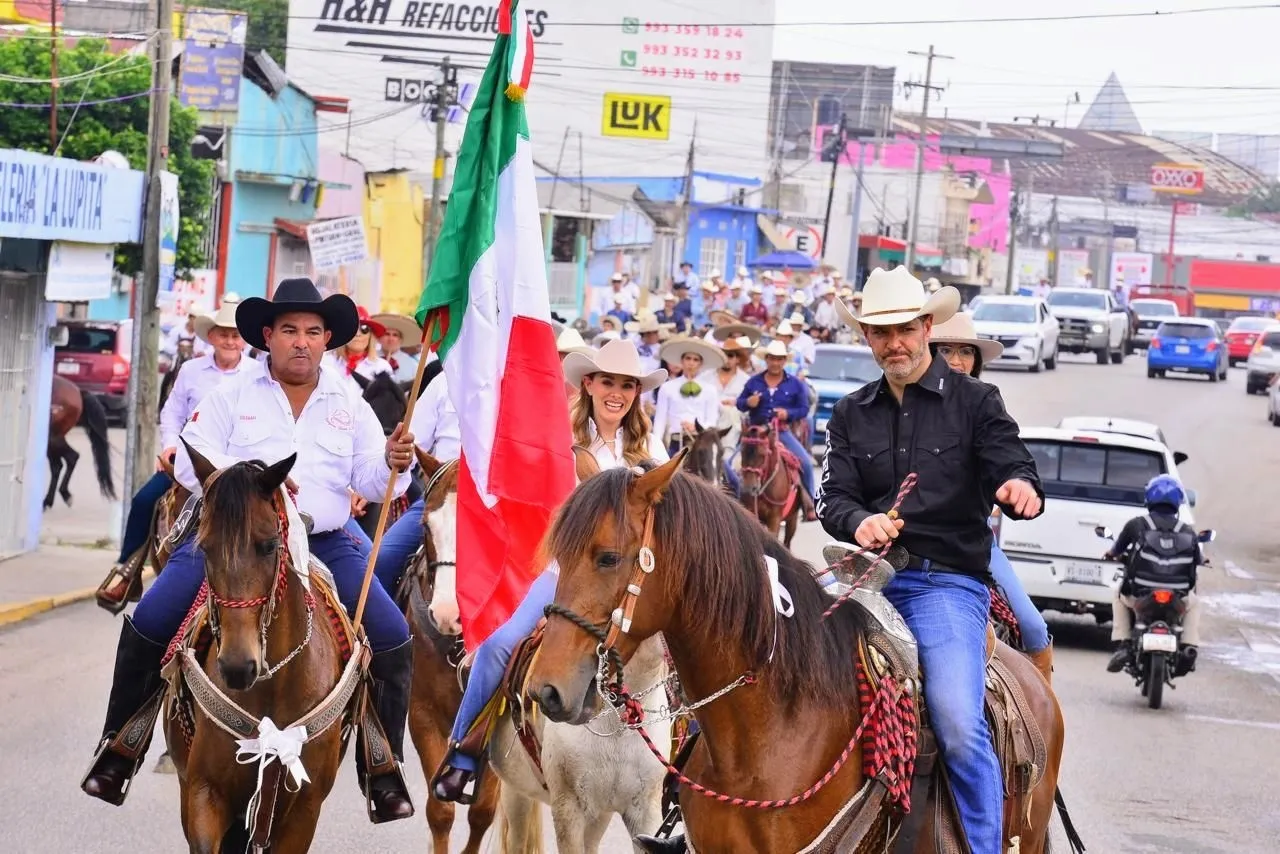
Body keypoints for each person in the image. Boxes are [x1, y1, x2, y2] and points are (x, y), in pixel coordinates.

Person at [80, 278, 419, 822]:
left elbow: (374, 481)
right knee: (149, 622)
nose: (302, 342)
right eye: (289, 331)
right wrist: (252, 483)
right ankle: (121, 746)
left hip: (328, 540)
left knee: (394, 639)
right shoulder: (230, 394)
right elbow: (191, 465)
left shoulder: (346, 399)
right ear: (268, 336)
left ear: (327, 339)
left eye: (313, 331)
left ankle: (382, 766)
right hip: (237, 539)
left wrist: (394, 462)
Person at [817, 266, 1045, 854]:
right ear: (867, 338)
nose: (894, 343)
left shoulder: (976, 401)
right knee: (772, 672)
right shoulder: (850, 413)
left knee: (958, 725)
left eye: (904, 330)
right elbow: (831, 496)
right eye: (880, 332)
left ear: (926, 327)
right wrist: (858, 521)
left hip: (944, 585)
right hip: (864, 582)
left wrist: (1019, 487)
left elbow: (1011, 462)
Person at [431, 338, 668, 803]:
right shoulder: (560, 439)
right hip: (567, 572)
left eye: (627, 385)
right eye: (608, 383)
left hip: (635, 578)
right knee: (499, 647)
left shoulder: (650, 449)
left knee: (688, 654)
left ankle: (684, 771)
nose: (616, 393)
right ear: (589, 384)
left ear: (636, 392)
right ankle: (464, 755)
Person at [97, 300, 262, 610]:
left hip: (240, 467)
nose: (229, 341)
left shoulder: (257, 374)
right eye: (223, 334)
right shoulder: (191, 370)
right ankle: (126, 573)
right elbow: (171, 413)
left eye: (235, 335)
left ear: (244, 340)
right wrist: (170, 446)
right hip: (191, 460)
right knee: (145, 500)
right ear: (211, 336)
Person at [928, 312, 1054, 683]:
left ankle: (1043, 717)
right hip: (900, 545)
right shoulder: (898, 405)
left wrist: (1018, 482)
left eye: (966, 351)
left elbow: (1009, 456)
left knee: (1031, 625)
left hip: (969, 542)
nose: (956, 361)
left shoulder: (985, 407)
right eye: (945, 350)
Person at [372, 366, 462, 598]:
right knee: (382, 560)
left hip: (495, 505)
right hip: (441, 496)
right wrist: (394, 461)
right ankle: (380, 633)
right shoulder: (444, 382)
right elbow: (411, 442)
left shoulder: (518, 387)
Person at [1103, 474, 1203, 674]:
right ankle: (1189, 646)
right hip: (1177, 598)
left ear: (1149, 498)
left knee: (1118, 595)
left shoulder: (1136, 525)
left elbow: (1116, 550)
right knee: (1195, 603)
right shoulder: (1187, 531)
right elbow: (1197, 559)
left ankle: (1124, 642)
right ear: (1178, 501)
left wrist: (1111, 555)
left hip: (1141, 595)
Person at [737, 340, 818, 522]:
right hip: (754, 433)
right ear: (766, 359)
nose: (775, 363)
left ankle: (809, 503)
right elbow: (739, 403)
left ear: (784, 361)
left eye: (779, 359)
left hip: (781, 432)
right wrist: (748, 403)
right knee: (730, 463)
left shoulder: (796, 384)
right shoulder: (753, 382)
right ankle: (731, 504)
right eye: (772, 358)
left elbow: (804, 409)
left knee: (804, 462)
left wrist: (787, 413)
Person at [652, 337, 723, 455]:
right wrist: (655, 447)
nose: (691, 362)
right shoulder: (667, 387)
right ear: (682, 361)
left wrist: (696, 427)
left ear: (701, 363)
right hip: (675, 442)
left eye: (695, 359)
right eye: (688, 358)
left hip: (701, 442)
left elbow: (712, 421)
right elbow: (660, 420)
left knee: (721, 470)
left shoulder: (710, 389)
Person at [323, 305, 393, 388]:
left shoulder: (382, 367)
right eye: (353, 329)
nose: (358, 334)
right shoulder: (326, 361)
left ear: (370, 336)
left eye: (364, 329)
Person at [372, 312, 423, 384]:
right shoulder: (369, 358)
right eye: (387, 334)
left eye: (395, 335)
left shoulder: (412, 364)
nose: (391, 338)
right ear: (380, 338)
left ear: (401, 340)